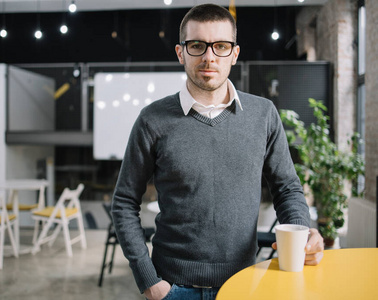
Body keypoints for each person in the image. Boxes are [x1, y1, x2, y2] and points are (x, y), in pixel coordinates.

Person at [111, 4, 324, 300]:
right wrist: (150, 282)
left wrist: (302, 232)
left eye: (220, 46)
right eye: (197, 45)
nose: (209, 57)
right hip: (172, 287)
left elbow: (287, 188)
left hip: (244, 283)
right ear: (180, 52)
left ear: (234, 54)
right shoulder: (152, 119)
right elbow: (123, 202)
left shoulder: (263, 114)